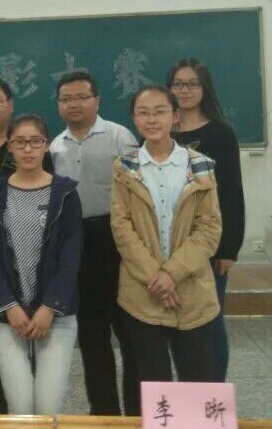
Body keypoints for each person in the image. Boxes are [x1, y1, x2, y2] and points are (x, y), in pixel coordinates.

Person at [110, 85, 222, 383]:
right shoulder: (124, 167)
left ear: (175, 116)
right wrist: (155, 277)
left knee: (198, 381)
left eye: (160, 111)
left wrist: (171, 274)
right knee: (151, 382)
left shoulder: (200, 165)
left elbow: (209, 228)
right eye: (143, 113)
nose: (152, 119)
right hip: (142, 292)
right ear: (134, 118)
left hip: (192, 291)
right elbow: (122, 227)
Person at [49, 71, 140, 416]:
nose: (74, 104)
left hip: (117, 239)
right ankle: (104, 415)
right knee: (91, 335)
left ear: (97, 100)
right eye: (66, 99)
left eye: (81, 97)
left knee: (130, 333)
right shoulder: (54, 147)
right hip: (76, 242)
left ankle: (137, 415)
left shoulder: (120, 137)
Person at [0, 114, 83, 415]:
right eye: (20, 142)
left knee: (48, 407)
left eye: (35, 142)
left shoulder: (65, 193)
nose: (28, 149)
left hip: (55, 314)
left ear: (46, 145)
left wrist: (49, 307)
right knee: (21, 406)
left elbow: (71, 255)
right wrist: (9, 306)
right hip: (7, 314)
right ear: (9, 146)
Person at [0, 77, 54, 414]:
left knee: (36, 346)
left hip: (30, 257)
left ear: (10, 104)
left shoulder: (32, 145)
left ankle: (33, 413)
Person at [167, 58, 245, 382]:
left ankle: (213, 391)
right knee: (176, 320)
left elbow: (232, 193)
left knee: (210, 320)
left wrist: (229, 248)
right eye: (178, 84)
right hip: (170, 244)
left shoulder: (221, 133)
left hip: (210, 244)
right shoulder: (161, 131)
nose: (184, 90)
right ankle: (188, 385)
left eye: (192, 83)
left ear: (204, 88)